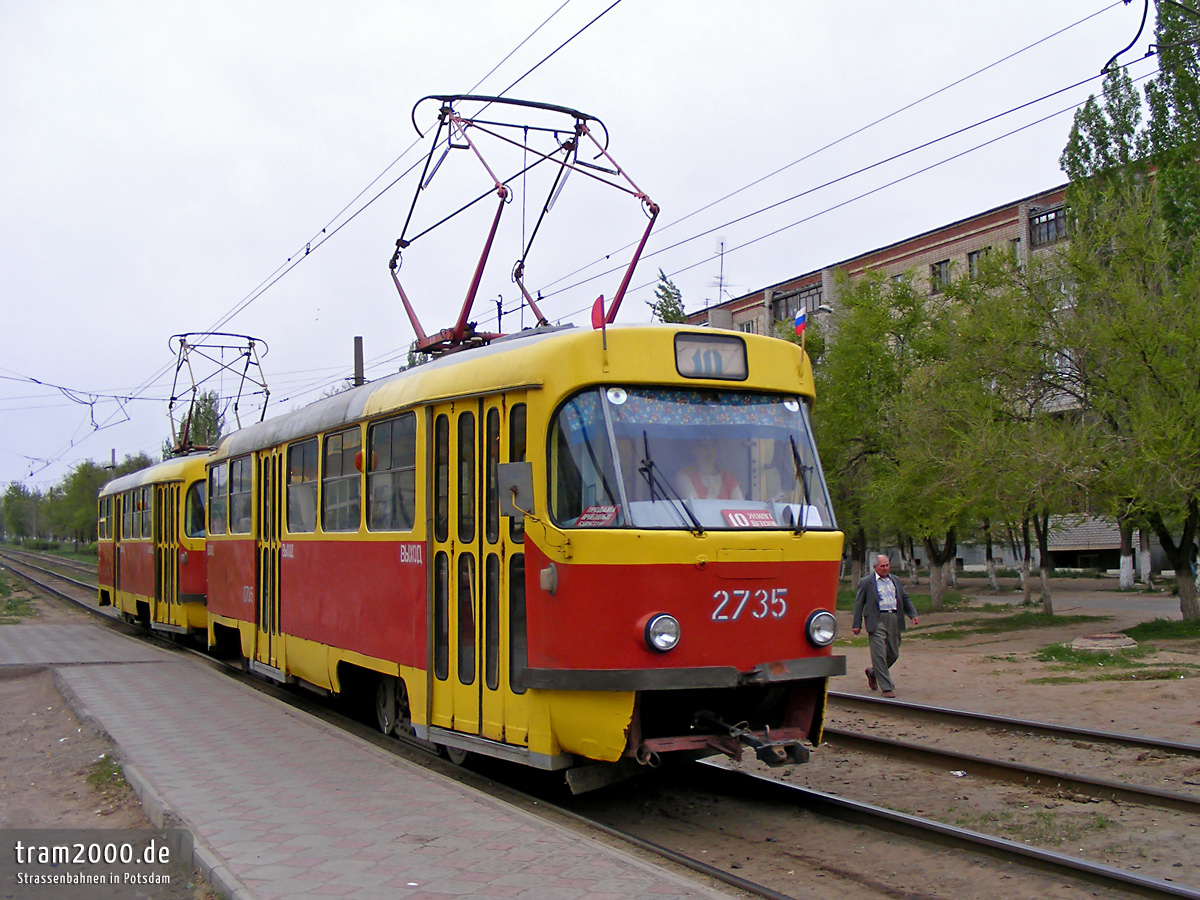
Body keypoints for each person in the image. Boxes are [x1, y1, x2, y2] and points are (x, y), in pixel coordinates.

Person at [852, 554, 918, 698]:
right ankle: (887, 687)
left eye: (887, 565)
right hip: (876, 620)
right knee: (879, 653)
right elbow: (858, 604)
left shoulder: (895, 580)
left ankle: (873, 673)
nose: (885, 568)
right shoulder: (866, 582)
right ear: (875, 567)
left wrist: (912, 615)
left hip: (893, 618)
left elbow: (904, 598)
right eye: (882, 566)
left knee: (894, 653)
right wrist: (856, 624)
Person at [674, 438, 744, 500]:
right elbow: (693, 506)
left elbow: (739, 506)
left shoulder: (728, 477)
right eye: (703, 446)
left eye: (713, 446)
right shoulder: (685, 475)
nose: (709, 450)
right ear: (693, 450)